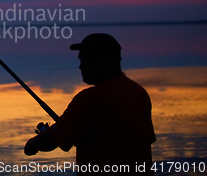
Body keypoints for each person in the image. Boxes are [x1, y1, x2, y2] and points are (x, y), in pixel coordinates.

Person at [24, 33, 156, 175]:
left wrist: (32, 144)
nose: (81, 66)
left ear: (106, 60)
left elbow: (50, 141)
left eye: (87, 60)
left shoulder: (88, 100)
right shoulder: (140, 93)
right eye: (81, 60)